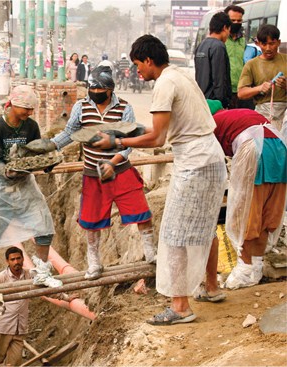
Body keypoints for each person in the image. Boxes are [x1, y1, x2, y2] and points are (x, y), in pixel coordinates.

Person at [94, 35, 227, 325]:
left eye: (138, 65)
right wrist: (124, 133)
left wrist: (115, 142)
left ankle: (180, 307)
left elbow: (157, 136)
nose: (137, 71)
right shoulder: (181, 75)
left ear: (149, 60)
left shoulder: (165, 83)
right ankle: (212, 288)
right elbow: (160, 126)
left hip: (195, 161)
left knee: (174, 235)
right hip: (210, 156)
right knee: (205, 227)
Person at [24, 66, 156, 279]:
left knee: (141, 212)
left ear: (110, 90)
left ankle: (151, 253)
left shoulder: (124, 108)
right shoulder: (82, 106)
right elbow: (70, 134)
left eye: (99, 88)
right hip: (93, 176)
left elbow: (129, 143)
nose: (95, 92)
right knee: (92, 222)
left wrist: (113, 162)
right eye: (92, 88)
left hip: (121, 171)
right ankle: (94, 263)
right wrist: (50, 146)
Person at [0, 85, 62, 302]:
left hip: (25, 183)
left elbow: (36, 151)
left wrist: (48, 163)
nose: (30, 113)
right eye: (26, 109)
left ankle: (42, 273)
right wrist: (5, 171)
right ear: (13, 104)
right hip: (0, 186)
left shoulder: (31, 126)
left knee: (44, 224)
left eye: (31, 109)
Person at [206, 102, 287, 290]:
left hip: (254, 148)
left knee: (246, 211)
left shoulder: (212, 123)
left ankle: (245, 268)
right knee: (268, 211)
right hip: (280, 150)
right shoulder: (239, 114)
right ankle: (256, 267)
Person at [238, 24, 287, 131]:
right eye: (264, 44)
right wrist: (259, 88)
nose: (268, 48)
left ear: (278, 42)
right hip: (263, 115)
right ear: (258, 43)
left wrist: (285, 86)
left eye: (272, 44)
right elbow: (241, 93)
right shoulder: (251, 65)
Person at [0, 247, 30, 366]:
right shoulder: (0, 278)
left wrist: (65, 297)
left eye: (18, 258)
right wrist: (0, 315)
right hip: (1, 326)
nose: (16, 262)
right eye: (13, 259)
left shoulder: (28, 275)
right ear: (7, 261)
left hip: (19, 327)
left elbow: (46, 288)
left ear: (23, 259)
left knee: (15, 362)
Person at [194, 11, 232, 109]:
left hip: (201, 101)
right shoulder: (219, 46)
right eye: (229, 30)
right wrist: (223, 103)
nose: (228, 34)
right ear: (224, 28)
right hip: (214, 104)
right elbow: (219, 79)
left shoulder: (201, 45)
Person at [224, 5, 253, 109]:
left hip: (243, 89)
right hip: (227, 91)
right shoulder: (222, 40)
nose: (236, 23)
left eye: (239, 21)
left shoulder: (243, 41)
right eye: (233, 20)